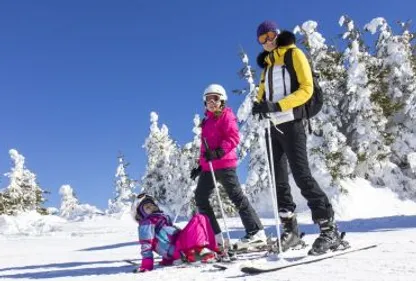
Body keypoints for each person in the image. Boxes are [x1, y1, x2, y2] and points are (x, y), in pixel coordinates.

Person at [252, 20, 342, 254]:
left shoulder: (294, 54)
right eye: (262, 39)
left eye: (270, 35)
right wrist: (259, 106)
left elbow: (306, 89)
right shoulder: (267, 68)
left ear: (278, 34)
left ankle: (328, 227)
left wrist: (277, 106)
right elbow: (262, 97)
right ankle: (290, 231)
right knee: (279, 181)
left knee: (302, 176)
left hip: (292, 123)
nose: (268, 41)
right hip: (274, 129)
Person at [190, 83, 266, 250]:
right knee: (201, 198)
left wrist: (218, 152)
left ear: (222, 100)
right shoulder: (206, 122)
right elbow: (205, 147)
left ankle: (256, 232)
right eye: (208, 99)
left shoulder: (226, 115)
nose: (212, 102)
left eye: (215, 99)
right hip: (209, 166)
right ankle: (215, 237)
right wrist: (200, 165)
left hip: (224, 164)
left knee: (235, 196)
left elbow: (233, 137)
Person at [131, 193, 220, 272]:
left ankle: (211, 248)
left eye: (152, 205)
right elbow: (147, 243)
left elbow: (165, 238)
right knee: (199, 218)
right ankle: (196, 252)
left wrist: (167, 259)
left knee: (203, 218)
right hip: (178, 249)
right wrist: (147, 263)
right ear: (141, 214)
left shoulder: (160, 219)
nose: (151, 207)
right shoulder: (147, 222)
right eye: (147, 207)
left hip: (179, 246)